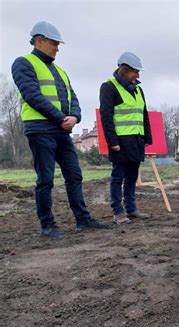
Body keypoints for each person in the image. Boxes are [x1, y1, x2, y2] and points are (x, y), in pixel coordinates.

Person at [11, 21, 111, 237]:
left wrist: (75, 116)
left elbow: (72, 98)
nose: (57, 48)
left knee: (75, 176)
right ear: (39, 41)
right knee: (45, 179)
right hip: (40, 129)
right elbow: (32, 95)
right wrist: (61, 118)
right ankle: (47, 225)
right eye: (54, 44)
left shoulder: (60, 72)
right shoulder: (23, 63)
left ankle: (83, 220)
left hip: (61, 131)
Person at [99, 52, 153, 224]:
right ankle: (118, 212)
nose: (137, 76)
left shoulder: (138, 89)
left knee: (132, 176)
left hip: (136, 140)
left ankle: (131, 209)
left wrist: (147, 137)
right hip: (121, 142)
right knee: (118, 177)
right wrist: (112, 141)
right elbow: (106, 117)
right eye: (135, 72)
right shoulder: (109, 87)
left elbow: (143, 115)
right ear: (124, 70)